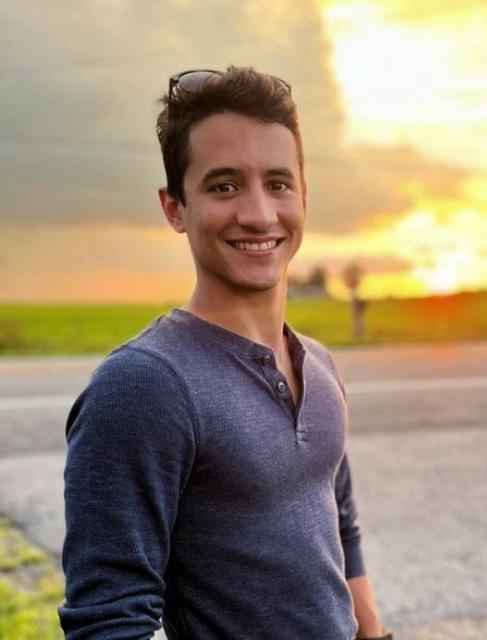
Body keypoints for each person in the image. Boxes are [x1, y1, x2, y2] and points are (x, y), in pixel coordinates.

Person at [59, 66, 391, 640]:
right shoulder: (144, 386)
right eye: (224, 186)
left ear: (304, 197)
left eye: (278, 184)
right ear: (174, 207)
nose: (259, 214)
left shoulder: (319, 363)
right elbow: (108, 621)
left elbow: (341, 528)